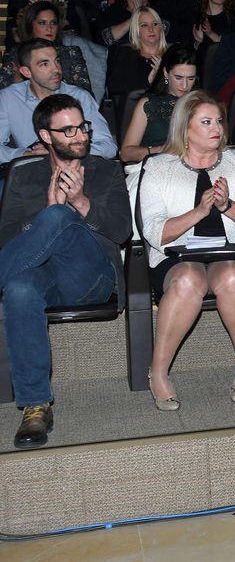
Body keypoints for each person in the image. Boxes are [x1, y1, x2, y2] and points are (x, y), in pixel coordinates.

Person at [0, 93, 130, 449]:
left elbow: (121, 231)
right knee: (19, 290)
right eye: (68, 130)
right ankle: (36, 407)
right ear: (46, 136)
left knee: (59, 216)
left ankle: (56, 216)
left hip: (91, 277)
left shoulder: (107, 169)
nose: (80, 136)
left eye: (82, 127)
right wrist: (47, 209)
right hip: (41, 276)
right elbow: (6, 237)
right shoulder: (25, 175)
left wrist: (81, 204)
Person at [138, 90, 235, 410]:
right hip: (177, 256)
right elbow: (154, 231)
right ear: (185, 129)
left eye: (219, 121)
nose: (217, 128)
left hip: (233, 252)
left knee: (233, 281)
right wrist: (198, 213)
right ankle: (158, 372)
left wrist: (227, 206)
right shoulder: (158, 168)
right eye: (206, 122)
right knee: (187, 281)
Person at [0, 38, 118, 164]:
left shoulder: (79, 96)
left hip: (75, 167)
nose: (56, 69)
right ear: (26, 72)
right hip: (31, 169)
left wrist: (62, 152)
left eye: (57, 61)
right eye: (45, 64)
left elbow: (109, 147)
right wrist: (26, 154)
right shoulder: (9, 97)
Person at [120, 45, 197, 163]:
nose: (185, 85)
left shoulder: (201, 103)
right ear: (166, 73)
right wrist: (161, 150)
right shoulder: (149, 104)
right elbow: (125, 154)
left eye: (190, 78)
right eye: (178, 77)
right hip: (157, 168)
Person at [0, 2, 93, 98]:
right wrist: (19, 84)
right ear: (30, 26)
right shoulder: (17, 54)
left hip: (65, 108)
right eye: (42, 23)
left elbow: (86, 95)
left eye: (53, 23)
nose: (49, 28)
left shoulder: (71, 53)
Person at [106, 6, 168, 102]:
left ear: (160, 27)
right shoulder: (126, 53)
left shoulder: (173, 53)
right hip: (135, 109)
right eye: (144, 25)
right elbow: (114, 87)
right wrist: (148, 81)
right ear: (137, 30)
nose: (151, 29)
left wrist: (164, 79)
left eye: (155, 24)